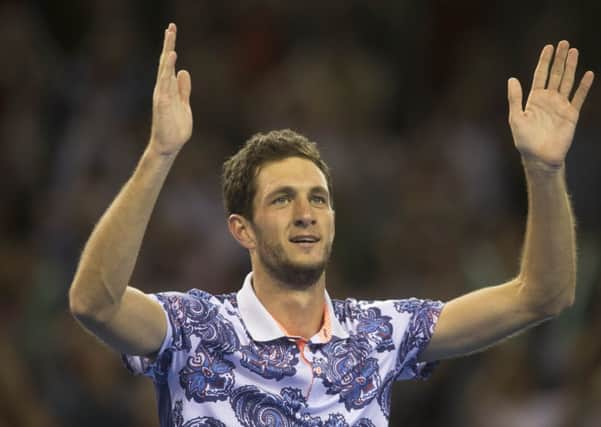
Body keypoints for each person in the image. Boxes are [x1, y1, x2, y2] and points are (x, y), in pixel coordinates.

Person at [68, 22, 594, 427]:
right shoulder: (192, 327)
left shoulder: (382, 333)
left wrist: (544, 170)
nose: (305, 213)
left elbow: (543, 296)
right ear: (241, 229)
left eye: (318, 198)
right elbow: (95, 302)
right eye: (282, 200)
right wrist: (160, 154)